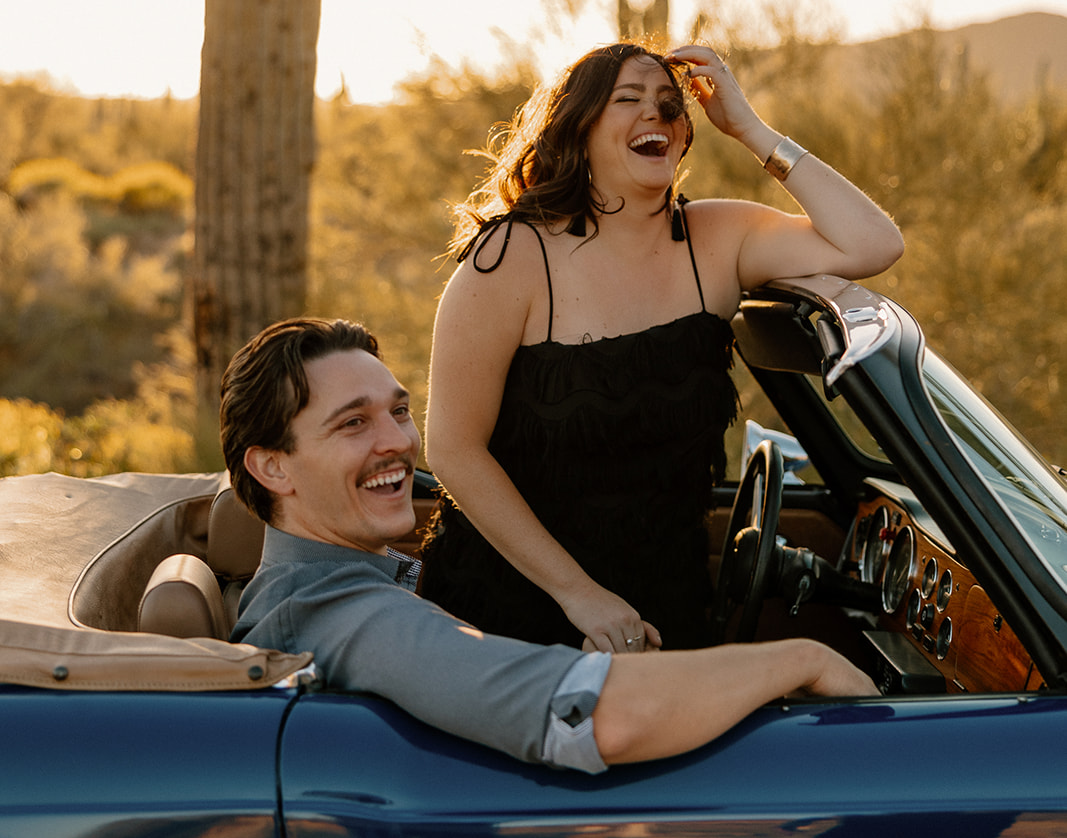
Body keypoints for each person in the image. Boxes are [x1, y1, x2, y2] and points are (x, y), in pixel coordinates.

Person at [226, 315, 876, 773]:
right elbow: (596, 720)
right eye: (352, 424)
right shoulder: (343, 616)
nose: (396, 441)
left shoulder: (336, 585)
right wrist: (801, 661)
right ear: (273, 468)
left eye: (398, 411)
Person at [420, 40, 904, 654]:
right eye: (628, 99)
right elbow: (455, 450)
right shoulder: (512, 257)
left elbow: (874, 243)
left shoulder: (717, 238)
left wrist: (750, 128)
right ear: (580, 125)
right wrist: (580, 595)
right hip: (513, 610)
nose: (656, 113)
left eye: (670, 104)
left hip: (666, 608)